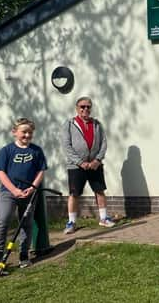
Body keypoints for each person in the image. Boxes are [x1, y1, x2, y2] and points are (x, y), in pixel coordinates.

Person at [0, 118, 47, 268]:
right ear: (14, 132)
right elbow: (0, 172)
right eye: (24, 132)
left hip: (28, 193)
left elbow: (41, 171)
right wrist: (13, 190)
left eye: (30, 133)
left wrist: (32, 188)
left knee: (26, 223)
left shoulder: (36, 150)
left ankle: (24, 254)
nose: (27, 135)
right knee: (3, 219)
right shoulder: (7, 150)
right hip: (9, 192)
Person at [62, 96, 115, 234]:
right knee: (74, 193)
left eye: (88, 107)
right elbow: (66, 146)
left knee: (99, 191)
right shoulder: (69, 124)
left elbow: (103, 143)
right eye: (82, 106)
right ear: (77, 108)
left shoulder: (97, 124)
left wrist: (97, 160)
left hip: (94, 165)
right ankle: (71, 222)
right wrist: (80, 162)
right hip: (76, 166)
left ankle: (104, 218)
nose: (85, 109)